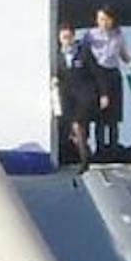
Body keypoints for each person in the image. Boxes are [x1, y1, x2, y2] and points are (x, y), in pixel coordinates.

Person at [82, 6, 131, 155]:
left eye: (106, 19)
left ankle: (113, 147)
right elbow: (84, 54)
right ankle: (99, 149)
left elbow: (123, 54)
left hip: (113, 74)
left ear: (112, 20)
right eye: (100, 19)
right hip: (96, 74)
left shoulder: (118, 34)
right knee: (99, 114)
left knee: (114, 116)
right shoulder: (90, 35)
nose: (102, 22)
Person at [53, 24, 99, 166]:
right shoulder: (56, 56)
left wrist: (100, 93)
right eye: (64, 37)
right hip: (65, 96)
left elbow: (95, 72)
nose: (66, 40)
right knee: (69, 127)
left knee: (78, 125)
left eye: (69, 37)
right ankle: (77, 153)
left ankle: (84, 158)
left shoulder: (83, 53)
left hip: (82, 96)